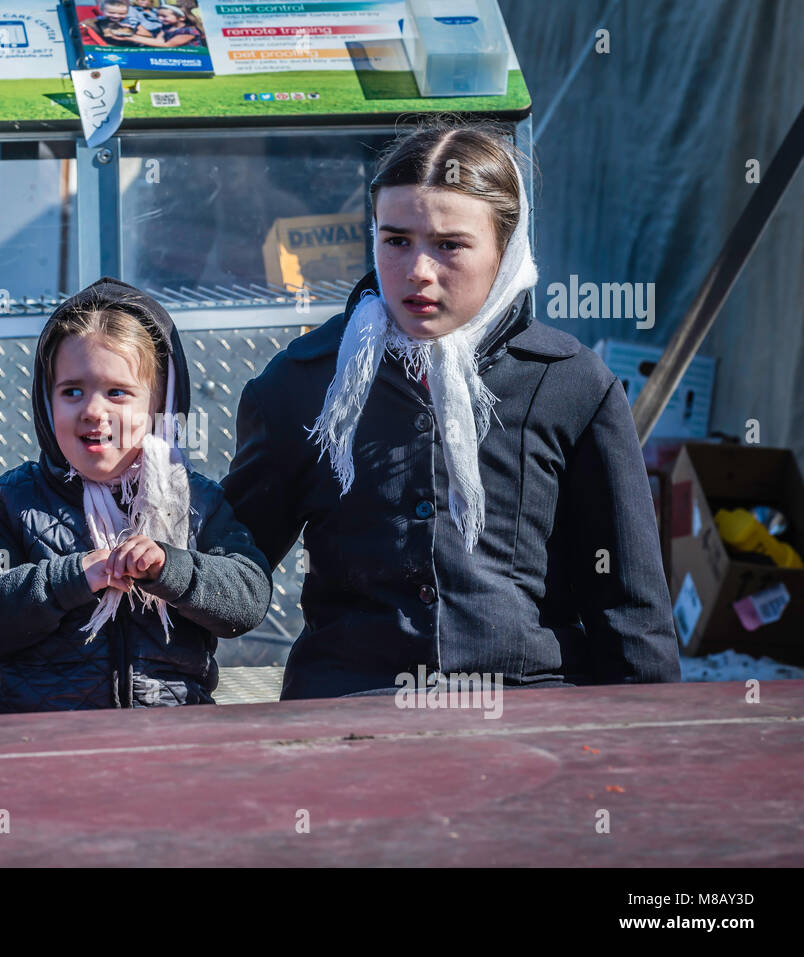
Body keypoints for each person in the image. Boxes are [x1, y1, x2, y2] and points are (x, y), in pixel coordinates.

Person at [221, 121, 682, 700]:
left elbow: (629, 604)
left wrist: (648, 741)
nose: (418, 271)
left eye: (449, 245)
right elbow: (230, 571)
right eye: (396, 241)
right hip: (347, 715)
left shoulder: (571, 386)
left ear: (505, 250)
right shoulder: (301, 385)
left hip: (528, 711)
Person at [0, 277, 272, 713]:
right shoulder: (14, 500)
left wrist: (169, 567)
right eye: (71, 391)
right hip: (37, 741)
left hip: (170, 737)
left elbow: (246, 598)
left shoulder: (196, 501)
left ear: (159, 405)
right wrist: (72, 578)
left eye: (117, 392)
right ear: (46, 403)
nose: (92, 411)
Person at [120, 4, 205, 48]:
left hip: (193, 58)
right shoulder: (165, 28)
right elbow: (158, 41)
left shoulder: (190, 31)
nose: (160, 18)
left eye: (164, 16)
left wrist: (130, 37)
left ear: (181, 18)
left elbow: (167, 44)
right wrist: (130, 36)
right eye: (159, 15)